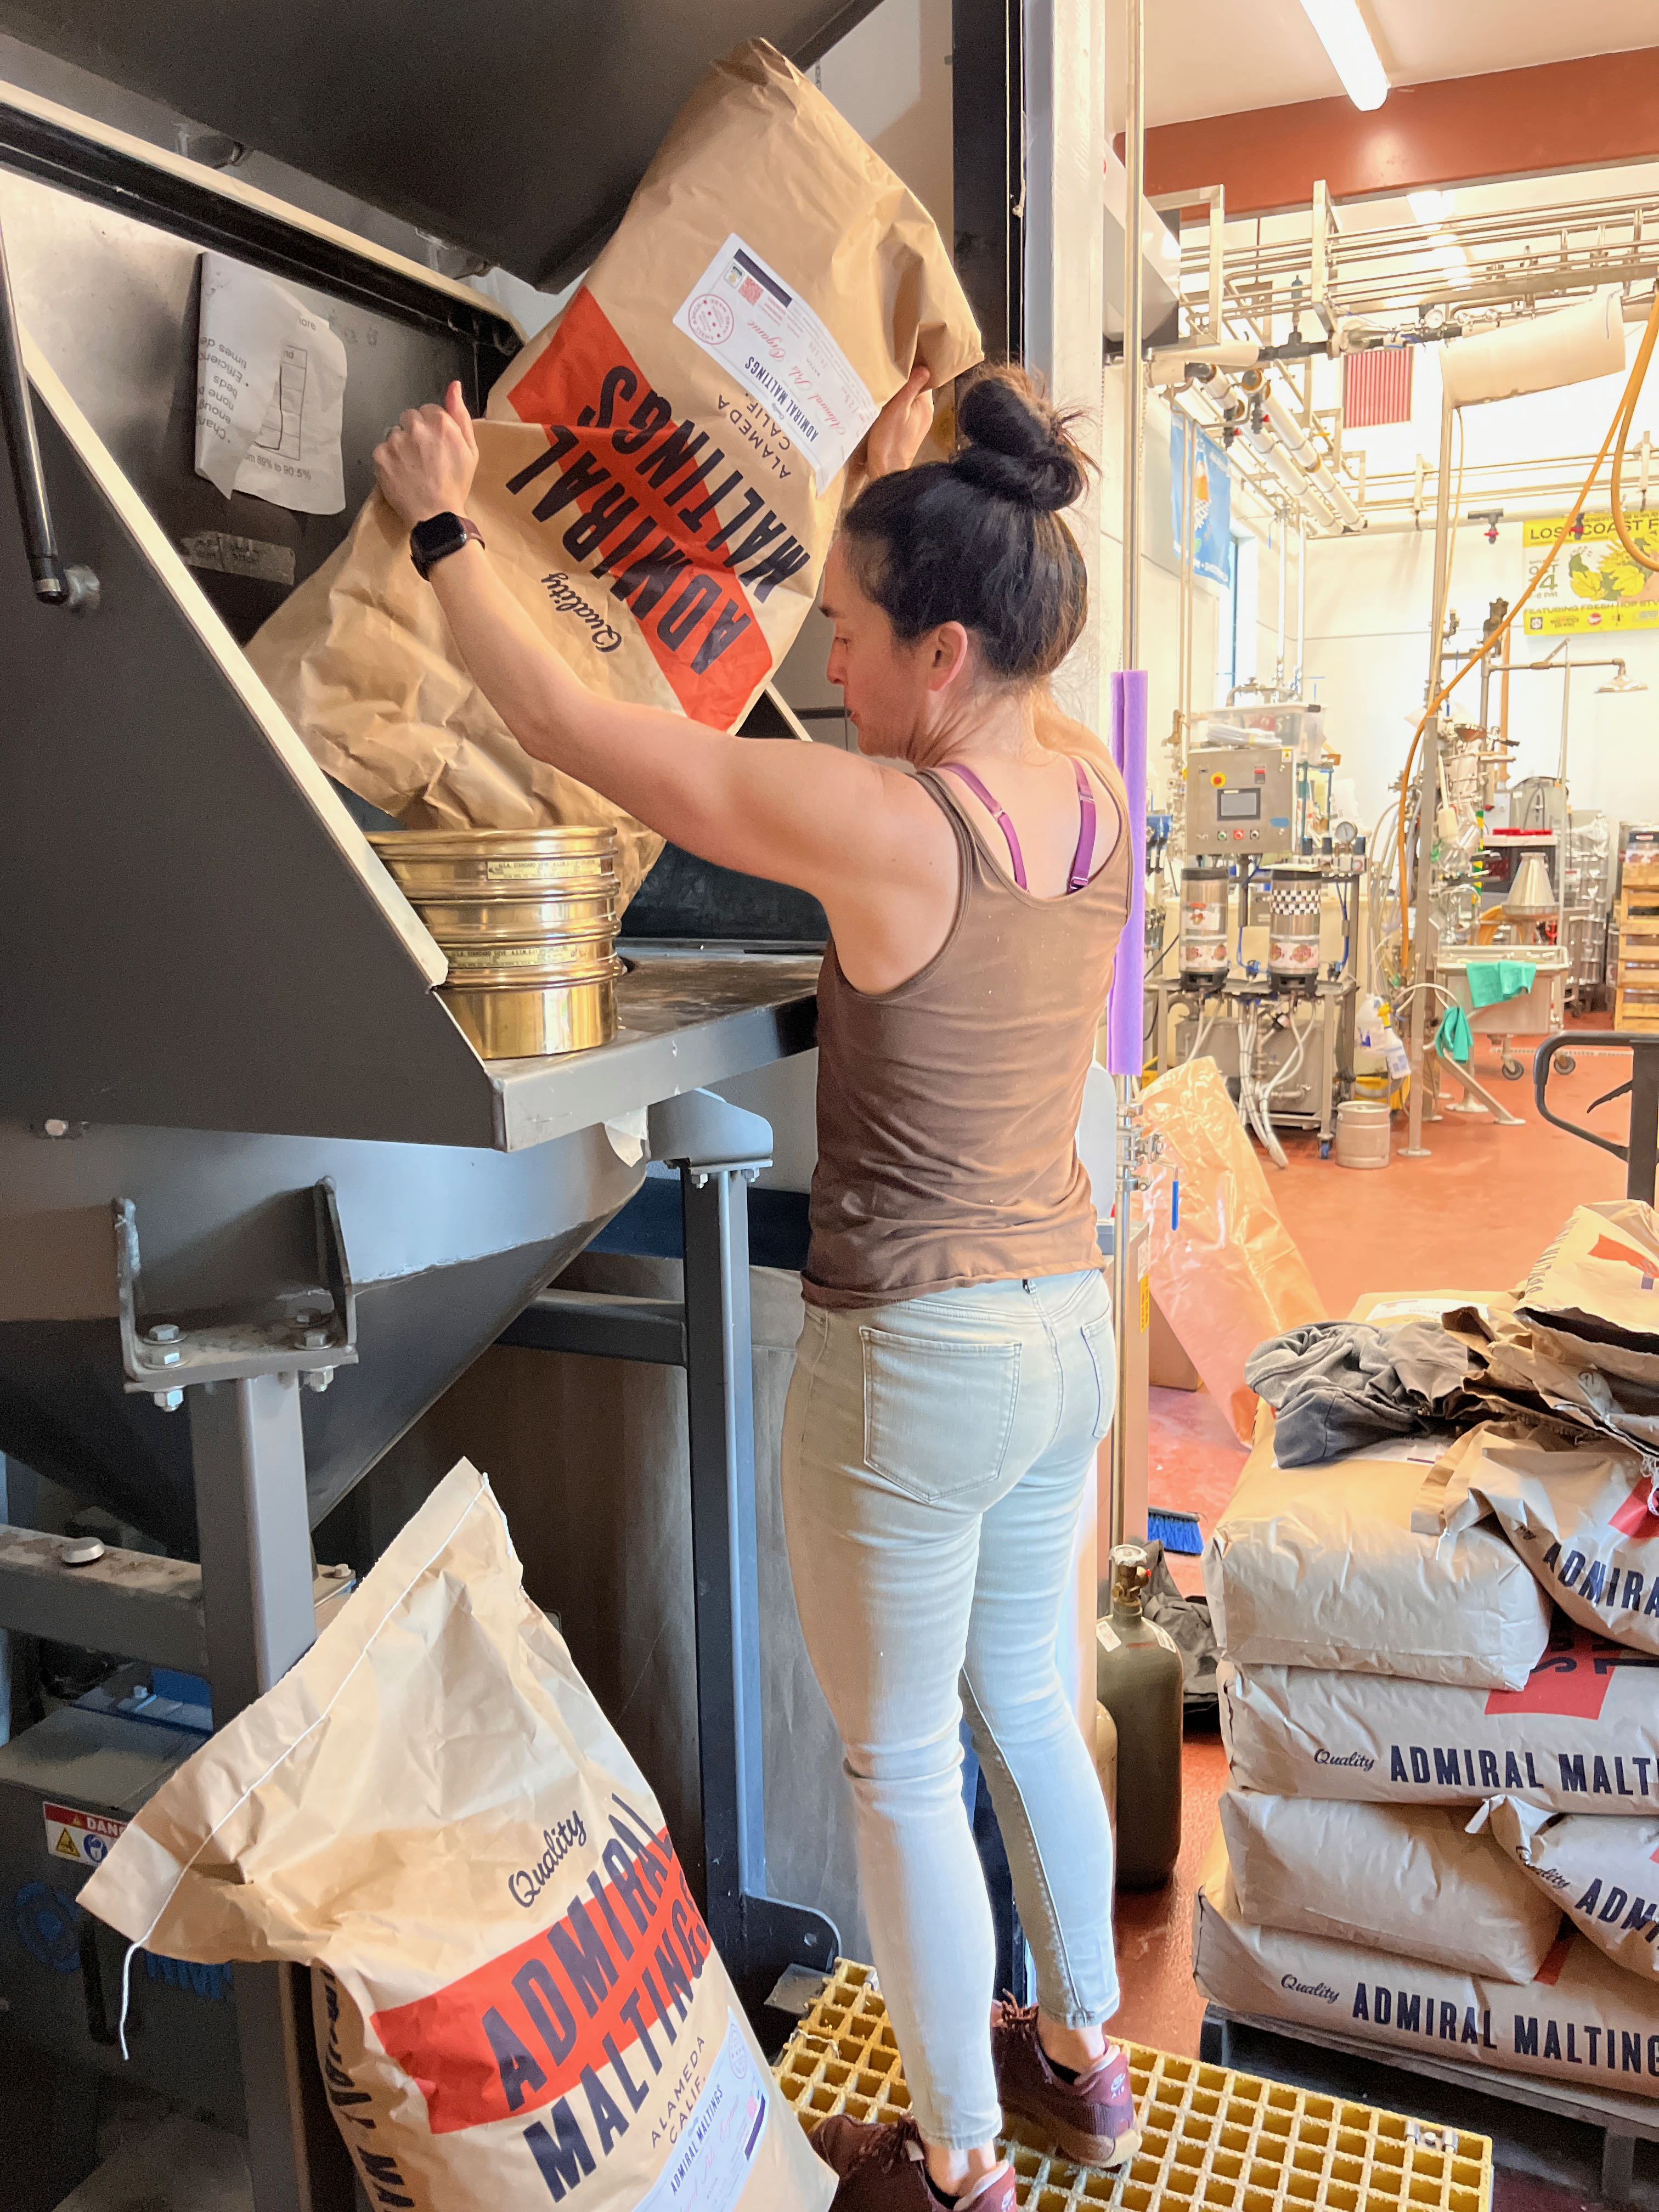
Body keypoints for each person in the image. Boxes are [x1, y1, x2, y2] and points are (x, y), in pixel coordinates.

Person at [373, 360, 1136, 2212]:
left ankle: (958, 2168)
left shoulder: (891, 829)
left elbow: (565, 719)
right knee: (1028, 1698)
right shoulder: (1090, 786)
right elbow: (856, 746)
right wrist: (876, 505)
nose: (838, 665)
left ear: (944, 653)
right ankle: (1086, 2062)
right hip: (1064, 1333)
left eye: (860, 636)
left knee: (892, 1768)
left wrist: (439, 521)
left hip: (918, 1368)